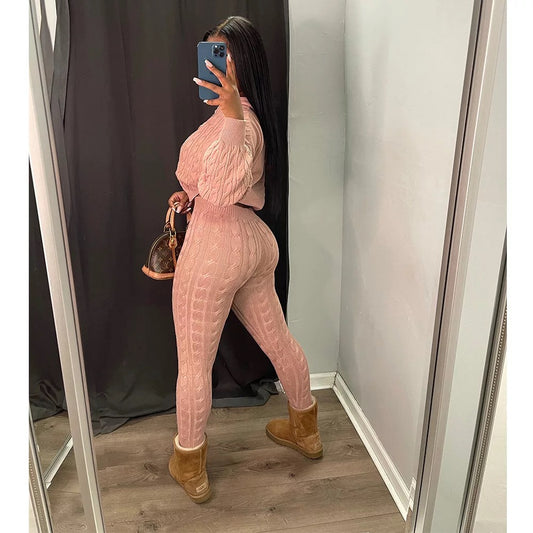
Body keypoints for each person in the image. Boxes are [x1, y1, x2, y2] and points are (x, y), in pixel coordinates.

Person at [166, 16, 323, 504]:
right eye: (212, 55)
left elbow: (219, 187)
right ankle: (306, 429)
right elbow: (217, 186)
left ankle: (189, 461)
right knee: (278, 340)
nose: (217, 67)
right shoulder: (235, 118)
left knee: (194, 363)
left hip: (216, 249)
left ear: (245, 63)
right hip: (251, 243)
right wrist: (187, 197)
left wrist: (232, 113)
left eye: (227, 56)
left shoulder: (239, 120)